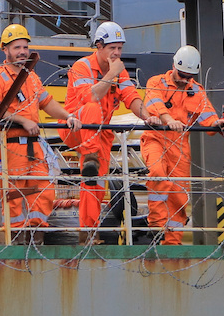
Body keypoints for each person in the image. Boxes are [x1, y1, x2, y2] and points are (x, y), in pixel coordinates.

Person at [60, 21, 160, 244]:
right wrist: (112, 73)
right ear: (99, 46)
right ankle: (91, 157)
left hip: (100, 133)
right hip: (75, 127)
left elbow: (131, 97)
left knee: (95, 183)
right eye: (112, 48)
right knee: (93, 108)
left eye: (119, 48)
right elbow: (90, 97)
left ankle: (88, 232)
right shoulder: (82, 66)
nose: (116, 53)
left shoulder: (120, 72)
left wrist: (147, 116)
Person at [0, 24, 80, 245]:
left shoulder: (31, 77)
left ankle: (36, 237)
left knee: (44, 189)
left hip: (34, 147)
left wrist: (68, 116)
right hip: (10, 144)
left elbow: (47, 102)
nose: (23, 51)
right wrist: (23, 120)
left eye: (25, 47)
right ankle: (15, 240)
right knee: (14, 194)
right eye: (17, 47)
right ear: (5, 49)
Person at [142, 45, 224, 245]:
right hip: (156, 138)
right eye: (181, 75)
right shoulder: (156, 82)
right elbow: (155, 104)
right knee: (157, 173)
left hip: (180, 146)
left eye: (189, 77)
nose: (184, 80)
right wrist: (168, 120)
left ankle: (172, 244)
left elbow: (207, 115)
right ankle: (156, 225)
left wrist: (217, 123)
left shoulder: (196, 90)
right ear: (174, 66)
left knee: (179, 195)